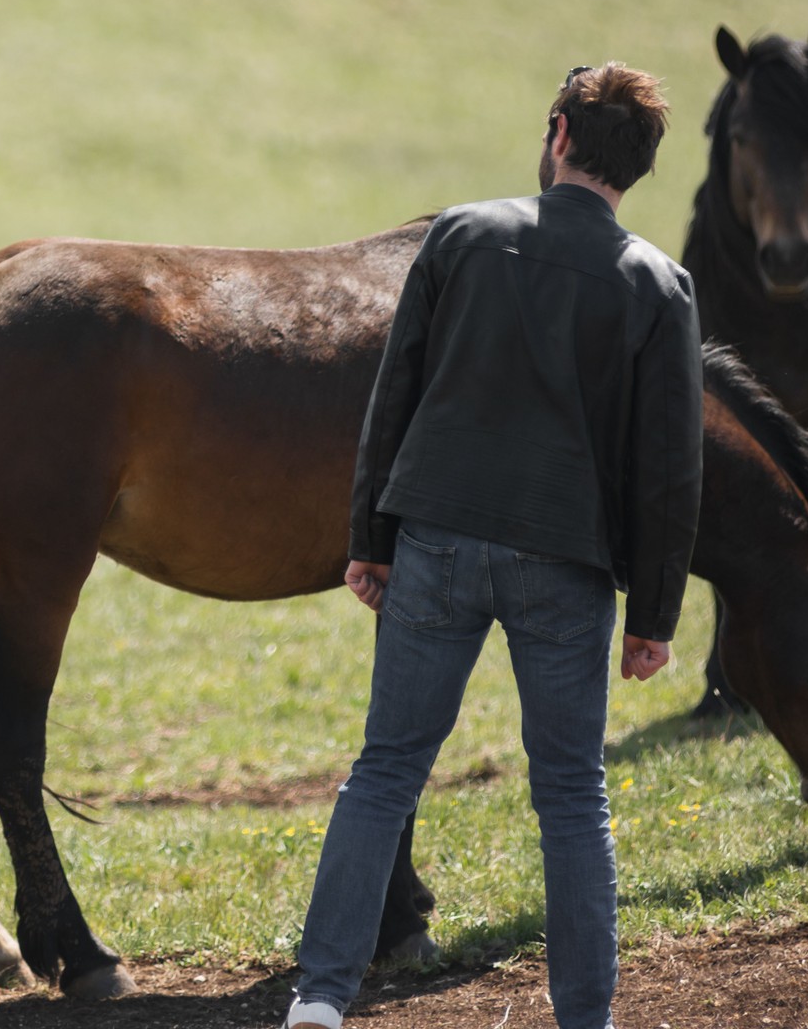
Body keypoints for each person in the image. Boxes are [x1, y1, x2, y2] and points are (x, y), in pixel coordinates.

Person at [283, 65, 702, 1029]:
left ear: (559, 133)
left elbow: (395, 397)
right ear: (637, 168)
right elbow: (669, 472)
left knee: (386, 768)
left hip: (434, 543)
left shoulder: (461, 236)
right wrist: (656, 620)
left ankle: (319, 999)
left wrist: (368, 541)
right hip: (568, 571)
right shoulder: (659, 286)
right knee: (571, 795)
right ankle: (584, 1018)